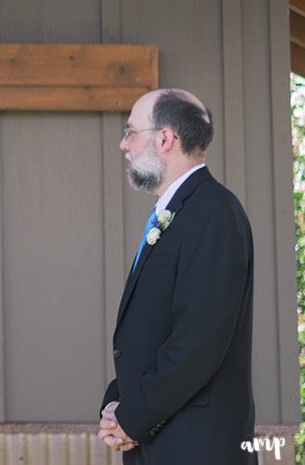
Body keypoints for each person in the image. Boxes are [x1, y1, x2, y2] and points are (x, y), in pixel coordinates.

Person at [99, 88, 255, 464]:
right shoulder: (179, 213)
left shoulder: (214, 212)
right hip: (159, 439)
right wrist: (116, 403)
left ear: (165, 138)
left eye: (130, 131)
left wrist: (133, 418)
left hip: (193, 448)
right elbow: (154, 329)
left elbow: (199, 339)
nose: (124, 144)